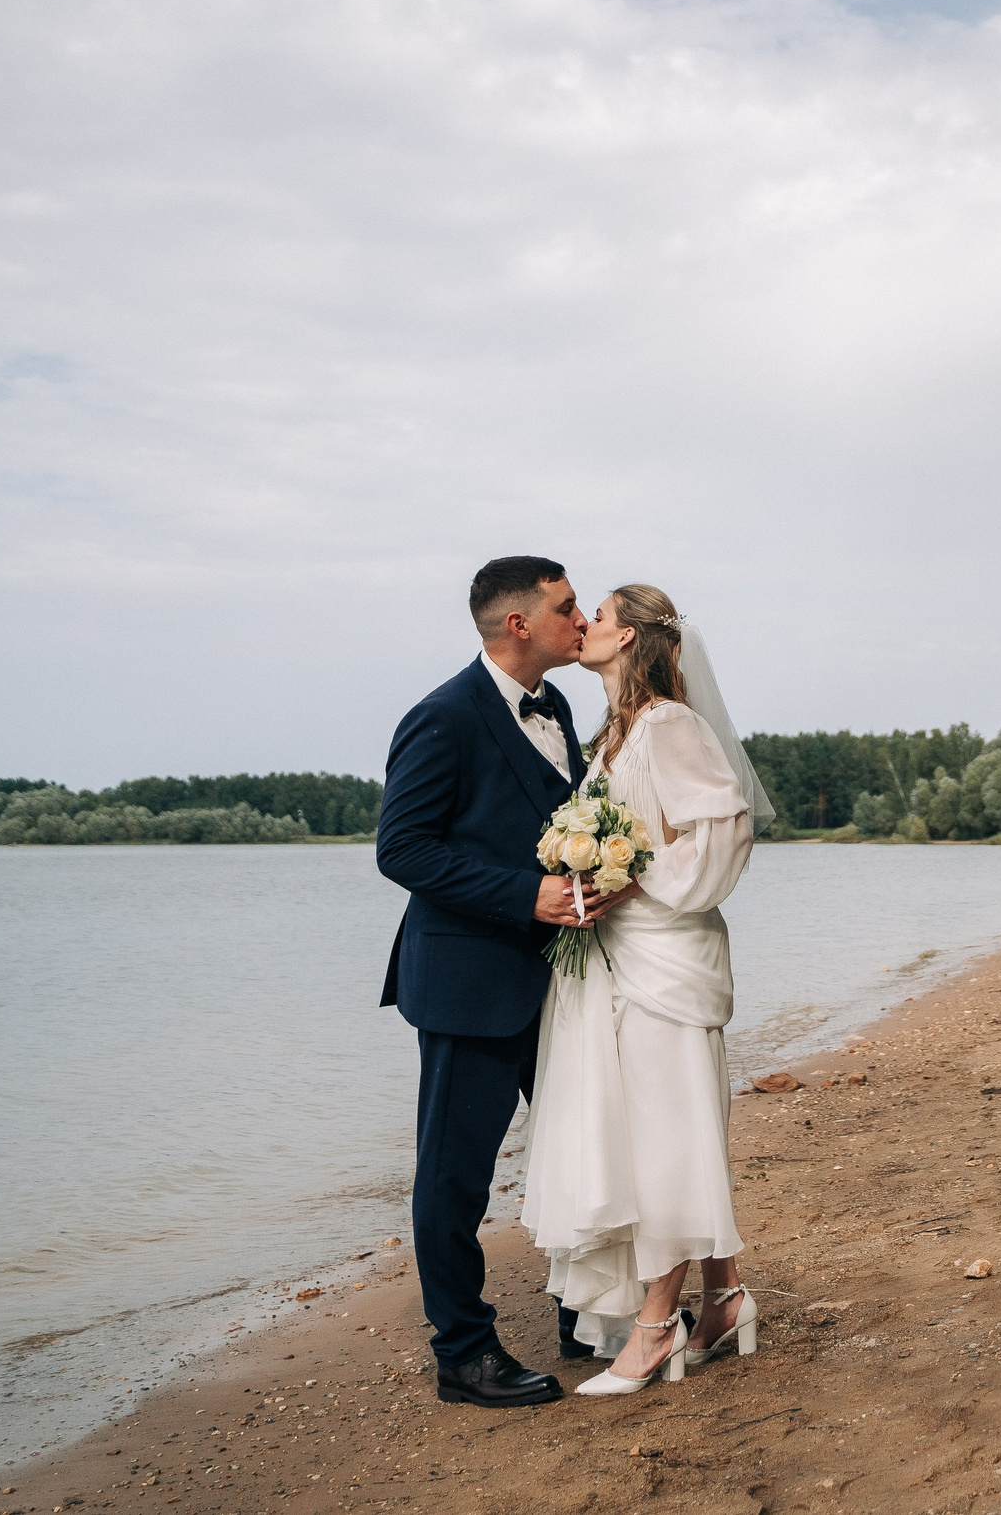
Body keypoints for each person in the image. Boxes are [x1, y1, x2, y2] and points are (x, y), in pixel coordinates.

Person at [518, 582, 774, 1395]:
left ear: (628, 638)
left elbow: (725, 830)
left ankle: (657, 1327)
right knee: (668, 1132)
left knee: (668, 1140)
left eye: (598, 615)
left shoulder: (669, 723)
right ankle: (724, 1297)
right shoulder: (614, 734)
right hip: (618, 957)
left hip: (664, 955)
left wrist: (632, 878)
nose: (585, 625)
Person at [375, 556, 606, 1408]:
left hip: (561, 982)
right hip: (470, 985)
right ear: (520, 624)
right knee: (454, 1177)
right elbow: (401, 850)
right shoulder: (441, 717)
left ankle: (584, 1316)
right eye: (567, 605)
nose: (580, 619)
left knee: (575, 1153)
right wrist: (527, 894)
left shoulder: (561, 707)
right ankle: (463, 1355)